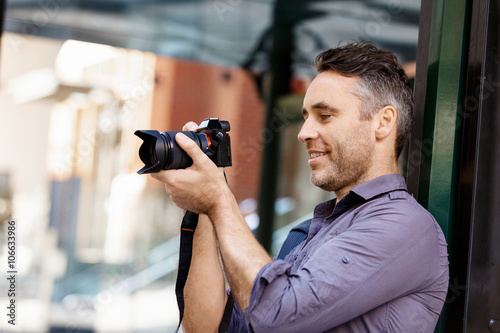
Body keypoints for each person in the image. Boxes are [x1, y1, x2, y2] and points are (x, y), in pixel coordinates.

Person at [152, 41, 449, 332]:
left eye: (325, 116)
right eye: (306, 117)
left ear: (383, 122)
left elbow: (277, 318)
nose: (304, 132)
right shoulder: (304, 235)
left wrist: (218, 198)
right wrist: (203, 205)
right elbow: (206, 326)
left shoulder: (404, 226)